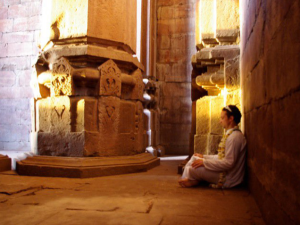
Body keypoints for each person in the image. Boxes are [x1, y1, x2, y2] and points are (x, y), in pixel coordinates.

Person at [179, 105, 247, 188]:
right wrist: (204, 157)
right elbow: (221, 157)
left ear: (231, 119)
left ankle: (191, 180)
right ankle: (191, 179)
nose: (220, 121)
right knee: (194, 157)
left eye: (222, 118)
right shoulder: (231, 135)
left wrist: (205, 162)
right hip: (224, 171)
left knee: (191, 169)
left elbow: (229, 163)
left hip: (228, 177)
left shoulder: (234, 137)